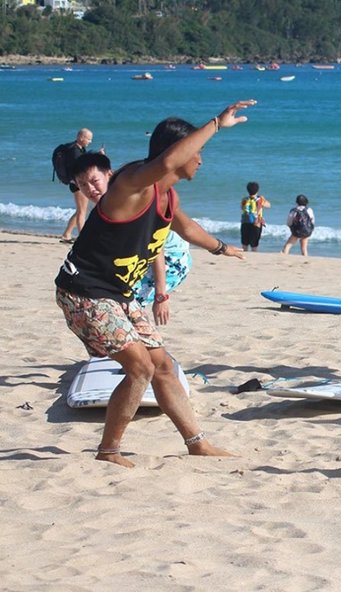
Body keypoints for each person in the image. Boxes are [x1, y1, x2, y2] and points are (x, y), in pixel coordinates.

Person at [54, 99, 256, 468]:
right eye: (196, 151)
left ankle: (196, 442)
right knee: (140, 368)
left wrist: (224, 248)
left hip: (119, 294)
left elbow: (187, 228)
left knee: (162, 364)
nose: (201, 160)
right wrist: (216, 123)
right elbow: (162, 163)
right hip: (83, 292)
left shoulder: (166, 195)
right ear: (178, 153)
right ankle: (109, 450)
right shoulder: (131, 185)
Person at [70, 152, 192, 326]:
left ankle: (139, 346)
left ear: (108, 175)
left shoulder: (127, 200)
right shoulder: (105, 205)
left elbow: (156, 249)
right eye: (82, 184)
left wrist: (161, 295)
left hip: (172, 258)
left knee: (123, 302)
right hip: (145, 257)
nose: (90, 189)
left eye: (94, 181)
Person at [58, 128, 102, 243]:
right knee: (82, 211)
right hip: (78, 184)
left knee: (80, 210)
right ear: (81, 137)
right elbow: (82, 167)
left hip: (78, 183)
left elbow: (85, 161)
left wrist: (97, 155)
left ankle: (66, 234)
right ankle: (82, 238)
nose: (90, 141)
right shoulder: (75, 151)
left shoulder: (79, 149)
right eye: (89, 139)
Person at [240, 181, 270, 251]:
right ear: (257, 190)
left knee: (244, 244)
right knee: (254, 245)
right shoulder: (260, 199)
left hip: (245, 222)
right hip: (256, 223)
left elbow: (241, 208)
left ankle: (245, 256)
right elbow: (269, 205)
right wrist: (263, 199)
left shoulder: (244, 199)